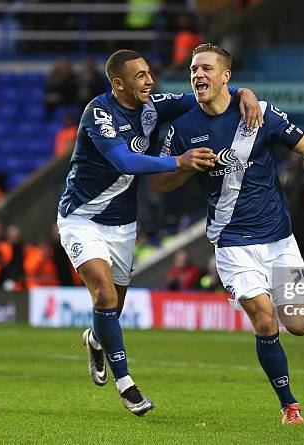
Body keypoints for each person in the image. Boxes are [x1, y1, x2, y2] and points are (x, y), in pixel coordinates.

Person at [151, 44, 304, 424]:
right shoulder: (182, 127)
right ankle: (289, 405)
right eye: (194, 69)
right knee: (264, 319)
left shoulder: (258, 113)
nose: (198, 75)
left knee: (298, 325)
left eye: (207, 69)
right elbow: (159, 185)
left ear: (226, 76)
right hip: (231, 244)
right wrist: (183, 166)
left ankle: (285, 377)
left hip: (278, 240)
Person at [56, 49, 262, 416]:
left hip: (122, 225)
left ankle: (96, 339)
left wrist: (244, 92)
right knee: (103, 295)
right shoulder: (99, 113)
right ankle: (127, 385)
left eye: (150, 73)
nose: (150, 81)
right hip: (81, 218)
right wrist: (177, 161)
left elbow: (204, 95)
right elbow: (125, 161)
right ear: (118, 84)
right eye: (140, 77)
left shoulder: (152, 105)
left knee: (111, 309)